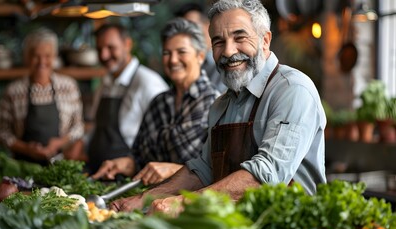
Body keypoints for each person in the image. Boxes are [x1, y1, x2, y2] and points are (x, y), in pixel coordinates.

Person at [110, 0, 327, 213]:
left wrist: (182, 203)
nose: (228, 52)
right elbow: (202, 171)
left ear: (265, 40)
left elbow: (266, 175)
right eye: (218, 42)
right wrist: (143, 199)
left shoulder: (292, 90)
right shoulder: (221, 105)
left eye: (239, 37)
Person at [91, 18, 219, 186]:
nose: (173, 60)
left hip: (189, 202)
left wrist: (173, 170)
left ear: (200, 56)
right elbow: (139, 158)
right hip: (148, 198)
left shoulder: (215, 103)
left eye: (181, 52)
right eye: (167, 53)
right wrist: (125, 164)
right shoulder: (159, 102)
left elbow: (217, 170)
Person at [85, 23, 169, 174]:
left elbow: (163, 140)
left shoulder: (148, 82)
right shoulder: (104, 83)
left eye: (111, 48)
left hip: (129, 180)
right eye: (99, 49)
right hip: (97, 173)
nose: (104, 55)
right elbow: (94, 126)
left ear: (128, 44)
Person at [0, 28, 84, 164]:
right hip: (22, 167)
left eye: (47, 56)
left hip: (59, 165)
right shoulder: (14, 91)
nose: (42, 61)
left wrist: (59, 143)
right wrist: (26, 148)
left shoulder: (69, 86)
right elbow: (1, 132)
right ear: (27, 58)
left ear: (54, 57)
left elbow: (78, 127)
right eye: (36, 56)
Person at [175, 2, 227, 93]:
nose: (187, 33)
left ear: (208, 25)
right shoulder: (187, 64)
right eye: (182, 30)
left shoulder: (225, 61)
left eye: (192, 25)